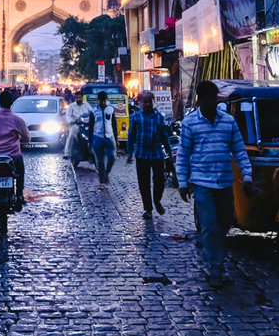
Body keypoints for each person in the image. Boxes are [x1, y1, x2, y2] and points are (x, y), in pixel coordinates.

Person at [175, 80, 256, 287]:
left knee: (223, 224)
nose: (211, 102)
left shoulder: (228, 122)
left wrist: (247, 175)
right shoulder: (190, 123)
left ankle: (215, 256)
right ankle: (215, 268)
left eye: (213, 99)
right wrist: (182, 182)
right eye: (207, 99)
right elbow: (183, 154)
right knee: (209, 225)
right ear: (199, 100)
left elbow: (239, 150)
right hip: (201, 182)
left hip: (225, 182)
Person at [126, 90, 174, 219]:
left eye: (149, 102)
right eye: (145, 102)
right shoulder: (136, 117)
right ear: (141, 103)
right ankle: (148, 208)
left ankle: (157, 200)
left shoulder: (158, 117)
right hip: (141, 153)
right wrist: (129, 152)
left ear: (153, 102)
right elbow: (131, 135)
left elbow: (164, 136)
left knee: (160, 179)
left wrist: (169, 152)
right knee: (144, 182)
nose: (147, 104)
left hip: (156, 153)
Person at [88, 89, 119, 186]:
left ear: (106, 100)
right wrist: (90, 140)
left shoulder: (110, 110)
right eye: (101, 100)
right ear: (98, 100)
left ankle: (106, 173)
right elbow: (91, 125)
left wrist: (116, 138)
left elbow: (114, 124)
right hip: (97, 137)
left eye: (104, 100)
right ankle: (102, 179)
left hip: (110, 137)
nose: (103, 102)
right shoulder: (94, 111)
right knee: (100, 161)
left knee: (112, 158)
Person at [64, 90, 93, 167]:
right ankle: (67, 153)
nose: (78, 99)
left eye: (80, 97)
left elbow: (92, 112)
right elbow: (68, 115)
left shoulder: (86, 105)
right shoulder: (71, 106)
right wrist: (70, 121)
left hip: (86, 125)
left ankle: (93, 153)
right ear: (75, 98)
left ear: (82, 98)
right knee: (72, 136)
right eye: (77, 98)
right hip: (76, 124)